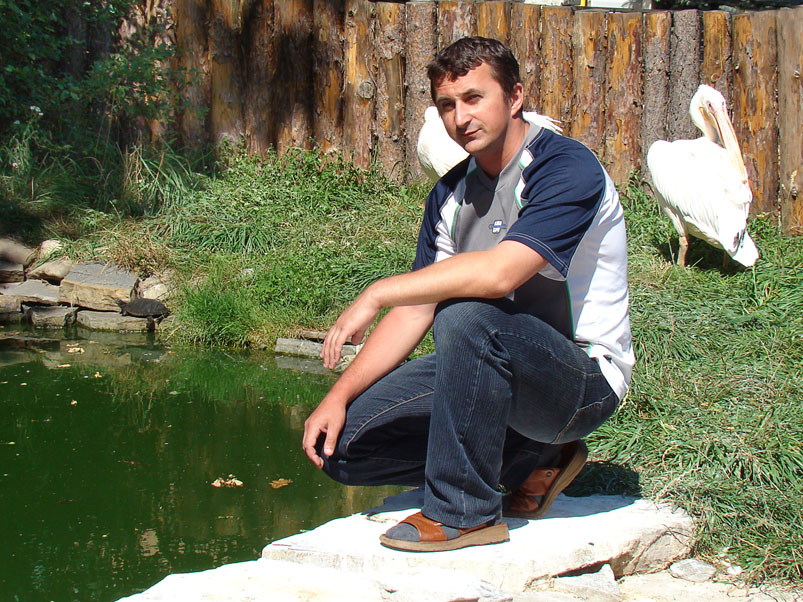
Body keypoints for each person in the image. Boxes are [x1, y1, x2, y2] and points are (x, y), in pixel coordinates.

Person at [302, 36, 634, 553]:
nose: (460, 118)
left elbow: (501, 274)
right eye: (447, 105)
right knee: (342, 446)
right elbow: (416, 309)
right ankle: (531, 458)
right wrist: (337, 396)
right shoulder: (449, 194)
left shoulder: (566, 168)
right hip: (482, 363)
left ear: (515, 97)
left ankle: (465, 512)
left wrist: (377, 292)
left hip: (579, 381)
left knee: (468, 312)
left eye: (474, 98)